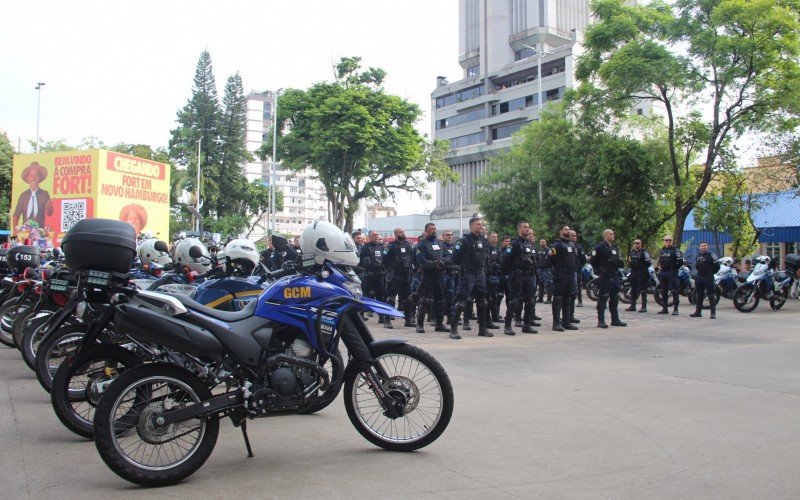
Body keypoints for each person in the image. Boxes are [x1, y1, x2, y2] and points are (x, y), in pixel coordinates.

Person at [451, 216, 492, 339]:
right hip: (468, 273)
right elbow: (455, 258)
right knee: (462, 302)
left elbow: (487, 257)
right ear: (471, 226)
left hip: (480, 273)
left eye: (482, 224)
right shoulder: (463, 240)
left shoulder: (484, 241)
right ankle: (453, 329)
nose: (481, 226)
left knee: (482, 302)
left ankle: (482, 329)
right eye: (478, 224)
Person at [501, 221, 539, 335]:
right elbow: (506, 261)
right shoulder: (514, 244)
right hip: (517, 275)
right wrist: (509, 273)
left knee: (530, 300)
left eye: (528, 227)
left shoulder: (531, 243)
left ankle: (526, 325)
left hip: (530, 275)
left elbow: (535, 259)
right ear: (519, 229)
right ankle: (508, 326)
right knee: (514, 301)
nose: (527, 229)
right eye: (525, 227)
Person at [413, 223, 450, 334]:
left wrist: (443, 262)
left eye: (435, 229)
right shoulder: (422, 245)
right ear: (426, 231)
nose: (434, 230)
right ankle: (419, 324)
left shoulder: (440, 243)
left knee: (441, 300)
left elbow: (448, 255)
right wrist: (435, 264)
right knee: (424, 300)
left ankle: (439, 324)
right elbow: (421, 261)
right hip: (427, 275)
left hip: (440, 276)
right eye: (431, 229)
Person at [544, 225, 580, 332]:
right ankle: (556, 323)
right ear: (561, 231)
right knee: (558, 298)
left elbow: (576, 259)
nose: (568, 231)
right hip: (560, 274)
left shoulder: (571, 244)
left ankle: (566, 321)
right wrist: (555, 271)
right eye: (565, 229)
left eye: (569, 229)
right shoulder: (556, 245)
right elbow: (549, 260)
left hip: (570, 274)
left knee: (568, 298)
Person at [589, 229, 627, 329]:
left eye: (613, 233)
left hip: (614, 275)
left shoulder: (615, 247)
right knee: (603, 297)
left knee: (615, 297)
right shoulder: (599, 247)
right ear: (606, 236)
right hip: (605, 276)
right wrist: (599, 270)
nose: (613, 235)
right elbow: (593, 261)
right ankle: (601, 320)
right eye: (611, 234)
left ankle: (615, 319)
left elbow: (618, 260)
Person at [383, 227, 415, 329]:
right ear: (396, 234)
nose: (403, 233)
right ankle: (387, 321)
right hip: (395, 274)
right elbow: (385, 259)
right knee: (391, 298)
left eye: (404, 232)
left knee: (408, 298)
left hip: (406, 275)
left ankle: (408, 320)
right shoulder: (390, 246)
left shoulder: (408, 245)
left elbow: (411, 258)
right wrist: (391, 268)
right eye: (401, 232)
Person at [359, 230, 388, 323]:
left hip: (379, 274)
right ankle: (361, 315)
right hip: (369, 274)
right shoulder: (365, 247)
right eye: (374, 235)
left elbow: (384, 257)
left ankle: (381, 316)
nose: (376, 236)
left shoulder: (381, 246)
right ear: (369, 237)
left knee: (380, 295)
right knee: (365, 295)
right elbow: (362, 260)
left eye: (377, 235)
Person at [12, 161, 51, 230]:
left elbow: (49, 213)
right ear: (27, 178)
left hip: (40, 232)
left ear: (40, 178)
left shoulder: (44, 194)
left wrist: (49, 206)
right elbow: (16, 215)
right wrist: (15, 231)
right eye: (31, 176)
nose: (34, 178)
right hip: (25, 232)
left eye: (36, 176)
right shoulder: (23, 196)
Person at [690, 242, 720, 319]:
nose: (703, 247)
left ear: (707, 247)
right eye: (702, 246)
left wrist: (710, 273)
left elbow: (717, 267)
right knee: (699, 295)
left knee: (711, 295)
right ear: (699, 247)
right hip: (699, 277)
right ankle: (698, 312)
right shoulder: (698, 255)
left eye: (705, 246)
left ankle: (713, 313)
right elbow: (696, 266)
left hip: (708, 277)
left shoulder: (712, 255)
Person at [657, 235, 684, 315]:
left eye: (669, 240)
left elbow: (680, 262)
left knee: (674, 290)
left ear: (671, 241)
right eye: (666, 240)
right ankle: (665, 308)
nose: (668, 241)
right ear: (664, 241)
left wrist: (674, 269)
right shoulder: (662, 250)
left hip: (672, 272)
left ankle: (675, 309)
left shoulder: (676, 250)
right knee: (663, 290)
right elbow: (660, 260)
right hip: (663, 272)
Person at [626, 239, 652, 313]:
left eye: (638, 243)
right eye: (635, 243)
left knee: (643, 290)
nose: (636, 244)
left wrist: (641, 266)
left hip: (642, 272)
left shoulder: (644, 252)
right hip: (633, 272)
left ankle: (644, 307)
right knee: (633, 289)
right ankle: (632, 305)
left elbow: (648, 263)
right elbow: (629, 262)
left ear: (641, 244)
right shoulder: (632, 252)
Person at [568, 230, 586, 323]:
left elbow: (583, 259)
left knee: (575, 291)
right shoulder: (564, 245)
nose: (574, 237)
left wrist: (578, 265)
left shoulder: (578, 247)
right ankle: (566, 316)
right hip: (566, 272)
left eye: (575, 236)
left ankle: (571, 315)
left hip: (576, 270)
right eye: (572, 236)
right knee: (567, 294)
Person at [537, 238, 552, 304]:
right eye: (541, 242)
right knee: (541, 284)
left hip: (546, 269)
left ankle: (549, 299)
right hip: (540, 269)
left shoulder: (548, 250)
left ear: (546, 242)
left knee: (548, 283)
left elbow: (550, 258)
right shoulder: (539, 250)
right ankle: (540, 298)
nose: (542, 243)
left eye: (543, 242)